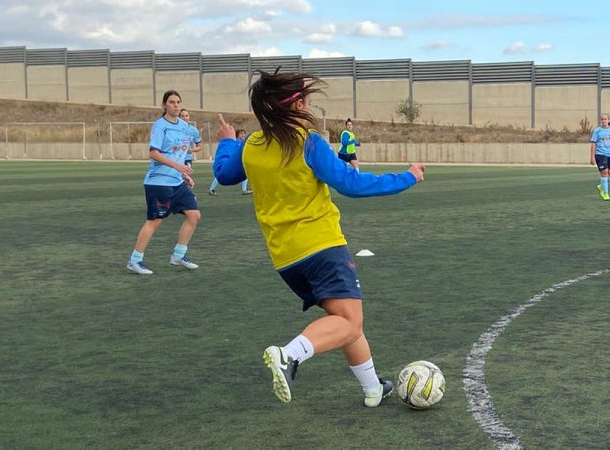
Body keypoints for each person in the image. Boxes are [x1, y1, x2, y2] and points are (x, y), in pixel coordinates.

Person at [211, 70, 425, 408]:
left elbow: (224, 174)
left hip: (285, 258)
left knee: (344, 321)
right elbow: (351, 184)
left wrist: (226, 141)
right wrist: (408, 177)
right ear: (297, 104)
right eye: (307, 101)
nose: (309, 107)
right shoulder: (307, 141)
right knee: (349, 321)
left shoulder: (251, 145)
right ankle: (290, 355)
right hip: (322, 247)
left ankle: (373, 388)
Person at [125, 91, 202, 275]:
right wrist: (178, 166)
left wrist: (183, 173)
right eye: (172, 102)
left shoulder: (185, 127)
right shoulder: (160, 126)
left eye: (178, 102)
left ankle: (178, 255)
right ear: (164, 105)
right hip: (158, 182)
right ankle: (134, 261)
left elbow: (180, 153)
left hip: (177, 181)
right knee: (154, 221)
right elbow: (154, 153)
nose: (176, 105)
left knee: (194, 215)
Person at [210, 129, 252, 195]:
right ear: (237, 134)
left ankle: (244, 190)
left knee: (245, 173)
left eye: (244, 133)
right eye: (241, 133)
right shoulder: (234, 141)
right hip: (231, 160)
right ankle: (212, 189)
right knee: (220, 174)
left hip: (240, 161)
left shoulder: (243, 142)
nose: (243, 135)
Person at [589, 114, 610, 201]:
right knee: (604, 173)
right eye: (602, 119)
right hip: (600, 154)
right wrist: (592, 157)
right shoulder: (597, 131)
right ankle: (605, 194)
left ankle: (601, 186)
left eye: (605, 119)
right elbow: (593, 144)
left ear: (608, 120)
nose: (603, 121)